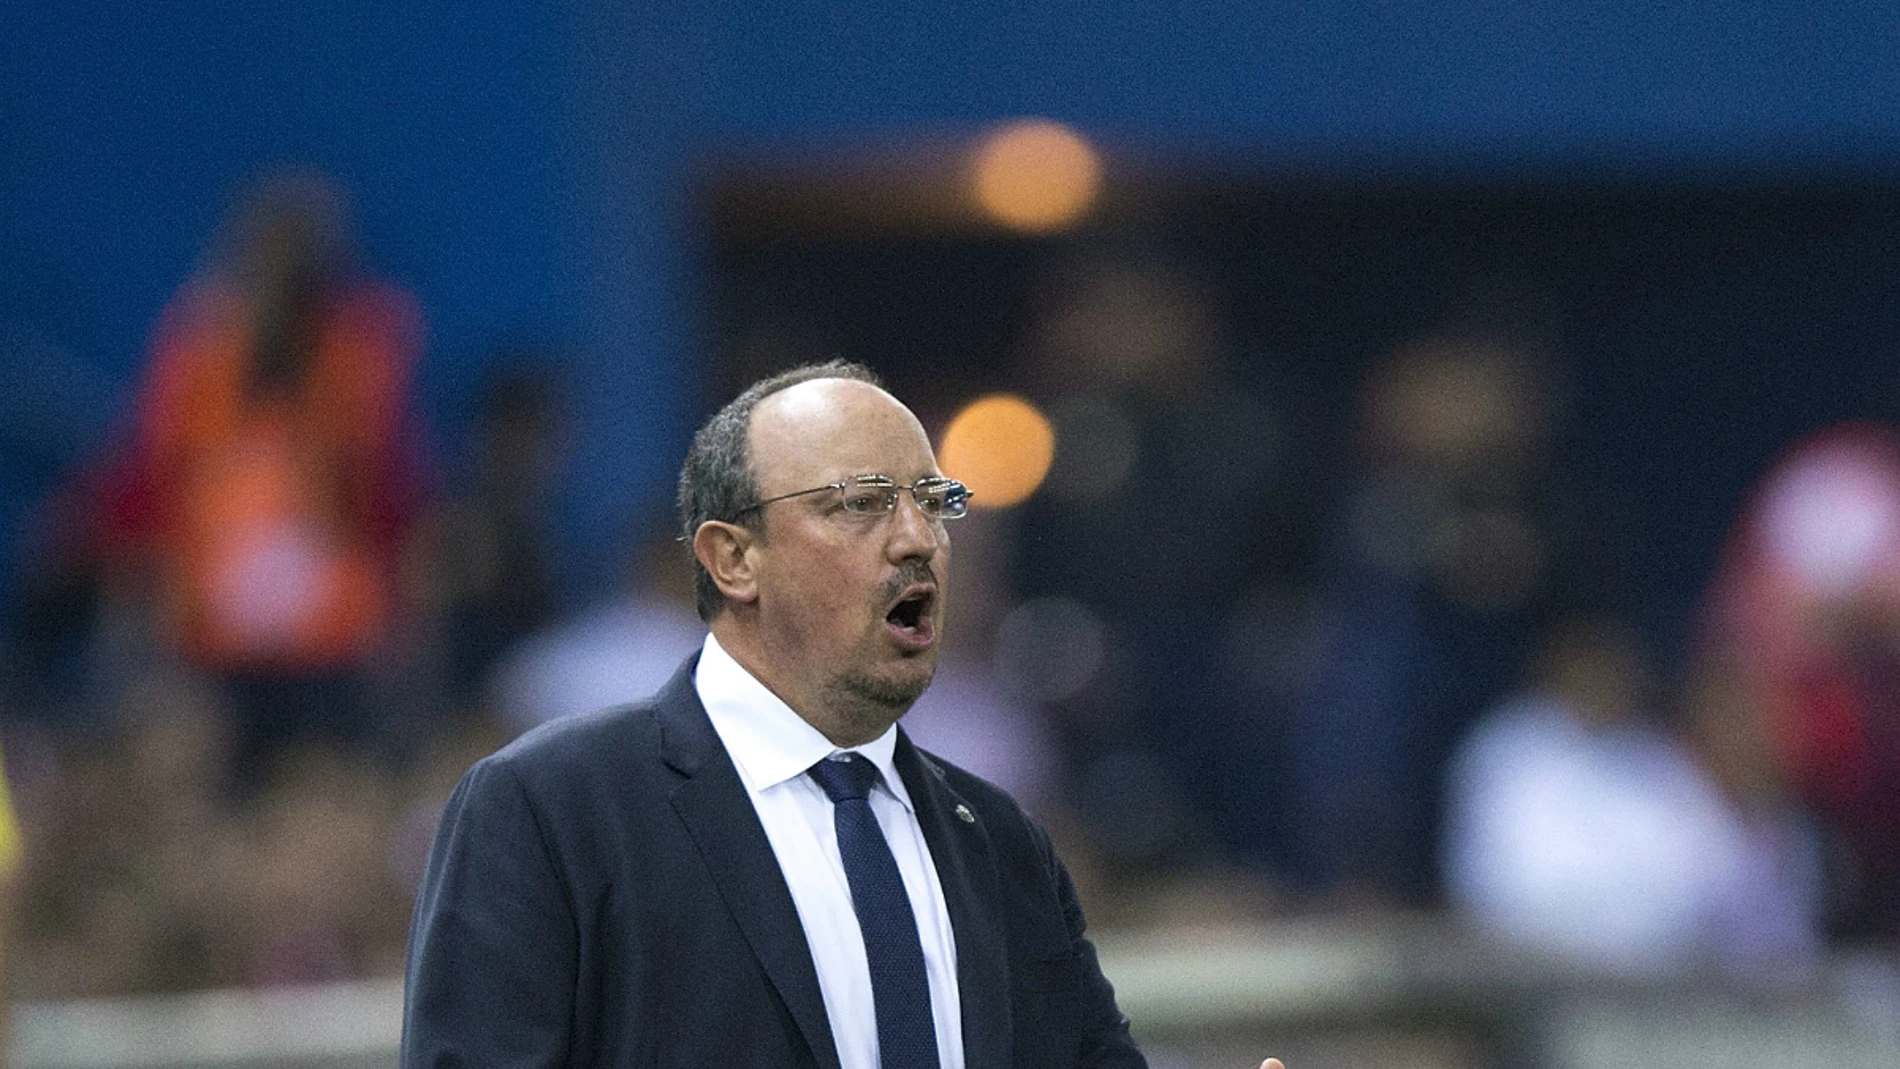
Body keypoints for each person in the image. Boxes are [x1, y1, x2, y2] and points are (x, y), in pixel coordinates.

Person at [402, 361, 1283, 1069]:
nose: (918, 539)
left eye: (936, 503)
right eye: (860, 503)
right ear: (733, 558)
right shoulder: (549, 810)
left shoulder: (999, 840)